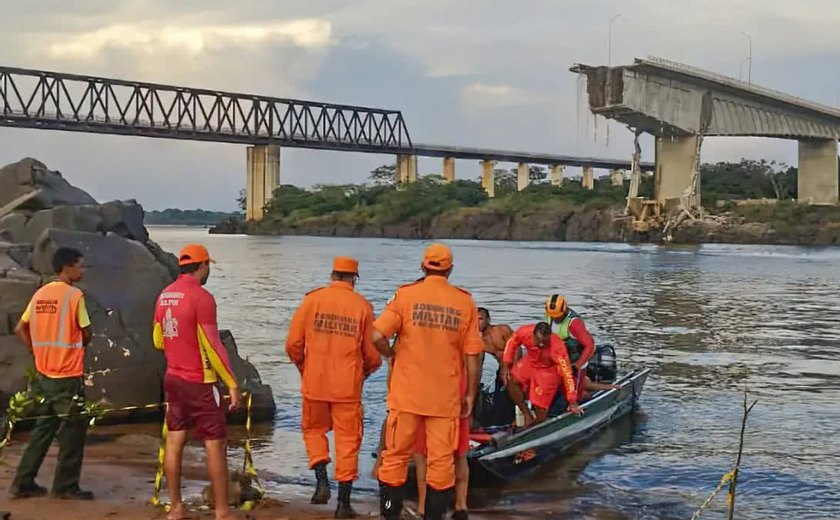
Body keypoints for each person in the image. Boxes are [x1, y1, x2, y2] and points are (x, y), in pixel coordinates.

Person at [371, 243, 483, 520]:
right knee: (441, 464)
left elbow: (376, 337)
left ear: (423, 266)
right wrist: (469, 394)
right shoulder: (464, 302)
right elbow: (473, 354)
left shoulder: (406, 296)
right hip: (444, 399)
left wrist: (392, 354)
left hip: (406, 395)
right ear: (450, 270)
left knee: (394, 458)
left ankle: (389, 514)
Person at [285, 256, 382, 518]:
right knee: (348, 441)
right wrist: (366, 371)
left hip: (314, 382)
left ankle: (321, 481)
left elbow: (293, 344)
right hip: (347, 387)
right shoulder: (362, 306)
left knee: (313, 430)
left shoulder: (311, 301)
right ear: (354, 278)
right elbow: (372, 355)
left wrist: (305, 368)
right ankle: (343, 504)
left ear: (332, 275)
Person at [152, 244, 241, 520]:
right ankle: (223, 511)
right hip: (200, 381)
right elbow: (213, 345)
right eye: (208, 266)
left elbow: (157, 339)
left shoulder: (164, 295)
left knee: (175, 440)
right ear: (203, 266)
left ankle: (176, 507)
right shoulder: (202, 297)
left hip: (173, 378)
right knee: (215, 443)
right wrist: (232, 384)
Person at [9, 248, 94, 500]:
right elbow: (86, 332)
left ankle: (23, 481)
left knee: (43, 428)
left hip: (44, 373)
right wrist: (79, 342)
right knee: (73, 430)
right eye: (80, 265)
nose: (83, 270)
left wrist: (36, 351)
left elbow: (19, 328)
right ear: (67, 268)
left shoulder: (40, 294)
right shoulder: (74, 296)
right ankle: (65, 486)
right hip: (67, 374)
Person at [412, 368, 471, 520]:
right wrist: (471, 393)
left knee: (422, 455)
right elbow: (473, 359)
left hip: (424, 388)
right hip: (456, 385)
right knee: (459, 453)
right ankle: (461, 505)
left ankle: (423, 506)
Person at [501, 322, 582, 428]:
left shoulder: (557, 348)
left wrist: (572, 401)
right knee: (512, 381)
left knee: (541, 409)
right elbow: (512, 342)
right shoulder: (524, 332)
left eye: (544, 342)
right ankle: (526, 414)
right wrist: (507, 363)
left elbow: (567, 374)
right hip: (531, 361)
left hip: (548, 369)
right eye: (538, 341)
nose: (541, 345)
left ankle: (534, 426)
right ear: (533, 334)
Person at [544, 295, 596, 399]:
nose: (555, 318)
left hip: (576, 357)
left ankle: (582, 392)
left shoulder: (574, 323)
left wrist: (577, 366)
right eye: (552, 316)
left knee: (574, 394)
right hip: (559, 357)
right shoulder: (550, 315)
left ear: (565, 310)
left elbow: (589, 346)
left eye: (557, 316)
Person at [477, 307, 514, 379]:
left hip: (516, 365)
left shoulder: (502, 330)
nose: (477, 322)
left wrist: (510, 369)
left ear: (488, 320)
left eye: (480, 319)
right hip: (501, 368)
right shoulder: (478, 341)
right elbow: (479, 363)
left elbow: (517, 348)